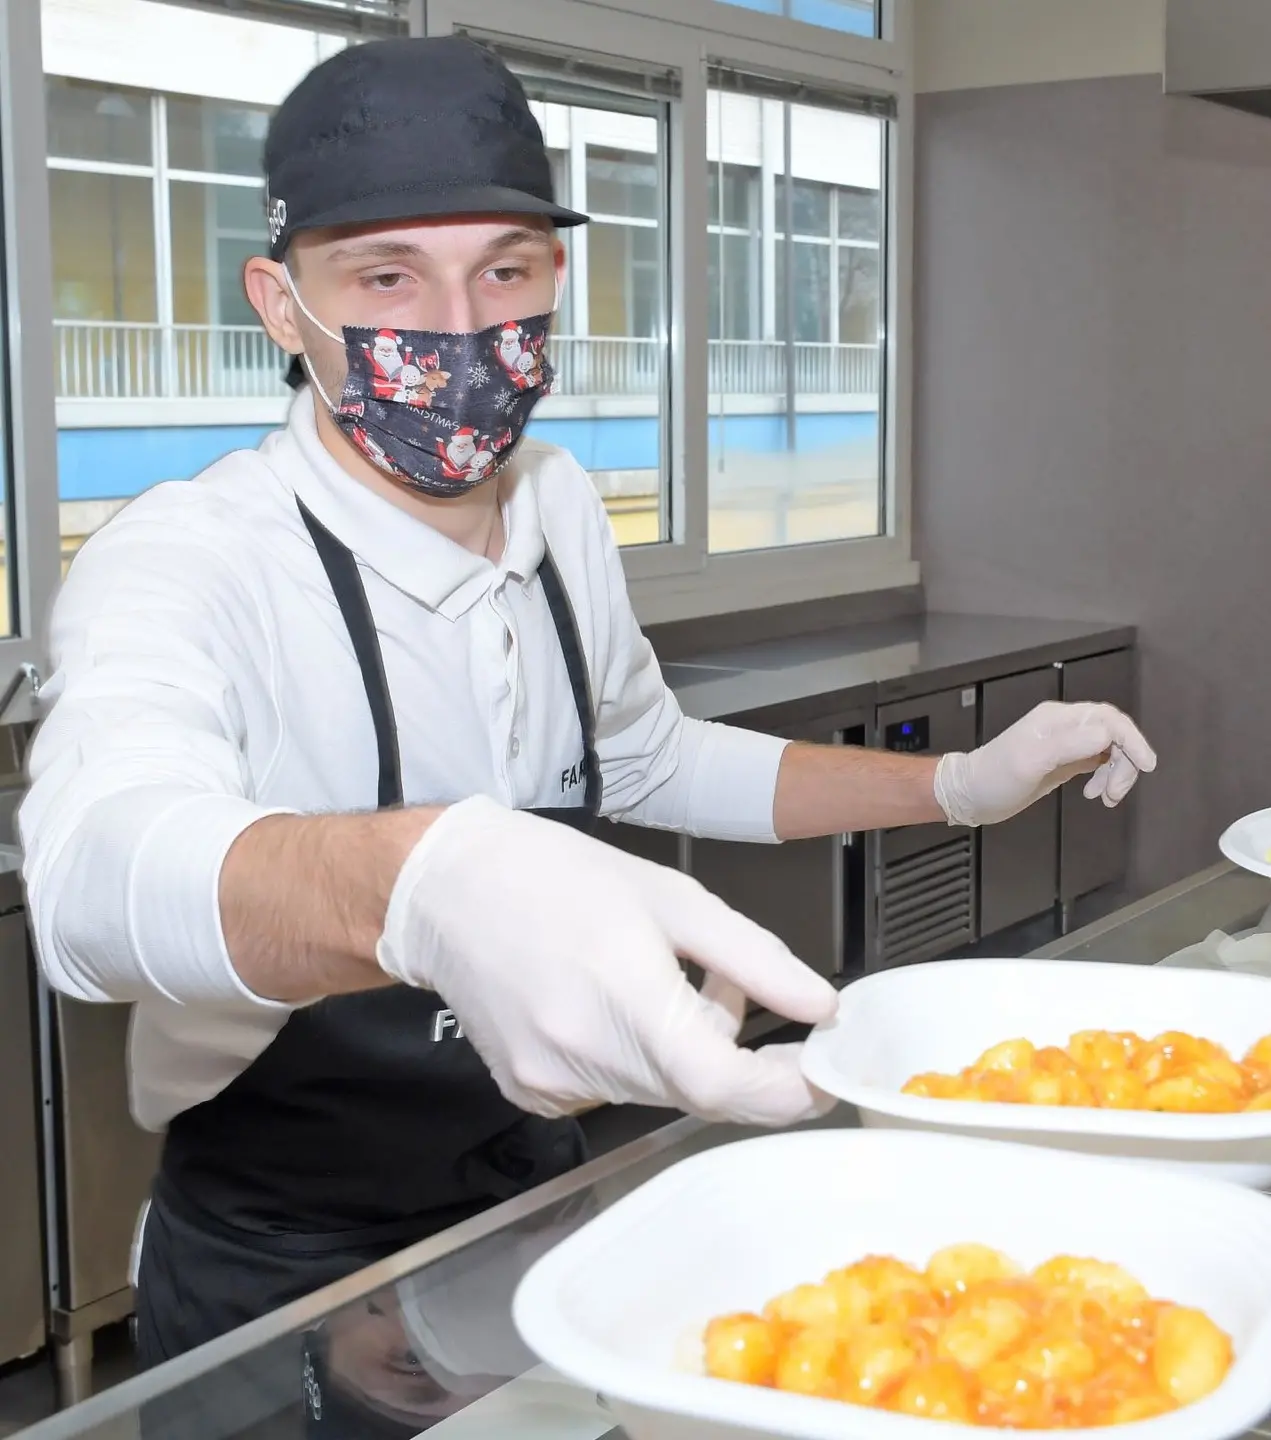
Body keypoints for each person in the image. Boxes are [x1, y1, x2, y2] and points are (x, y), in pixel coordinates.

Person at [18, 35, 1157, 1369]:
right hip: (278, 1253)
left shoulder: (556, 504)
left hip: (530, 1198)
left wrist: (954, 786)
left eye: (503, 270)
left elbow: (644, 755)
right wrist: (425, 888)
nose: (458, 325)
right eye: (387, 275)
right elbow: (92, 877)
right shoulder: (191, 554)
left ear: (556, 278)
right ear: (282, 304)